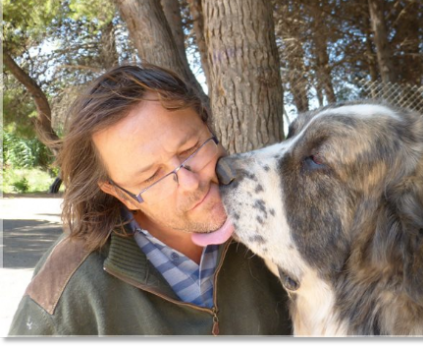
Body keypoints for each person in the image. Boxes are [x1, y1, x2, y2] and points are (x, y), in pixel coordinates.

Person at [8, 64, 291, 335]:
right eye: (152, 177)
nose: (191, 183)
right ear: (121, 194)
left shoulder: (285, 218)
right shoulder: (64, 293)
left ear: (209, 127)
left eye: (191, 148)